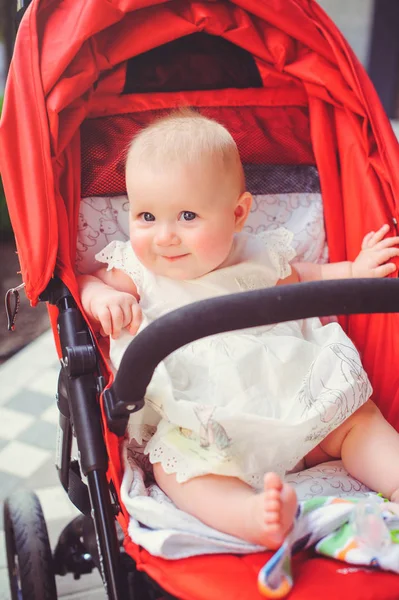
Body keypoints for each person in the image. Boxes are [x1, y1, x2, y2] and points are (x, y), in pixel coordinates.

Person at [78, 110, 399, 550]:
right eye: (146, 216)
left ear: (238, 214)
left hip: (298, 400)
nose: (164, 236)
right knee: (176, 468)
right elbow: (83, 283)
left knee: (358, 421)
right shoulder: (136, 271)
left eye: (187, 216)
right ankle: (250, 517)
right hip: (208, 426)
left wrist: (354, 269)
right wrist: (100, 297)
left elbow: (307, 276)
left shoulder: (259, 256)